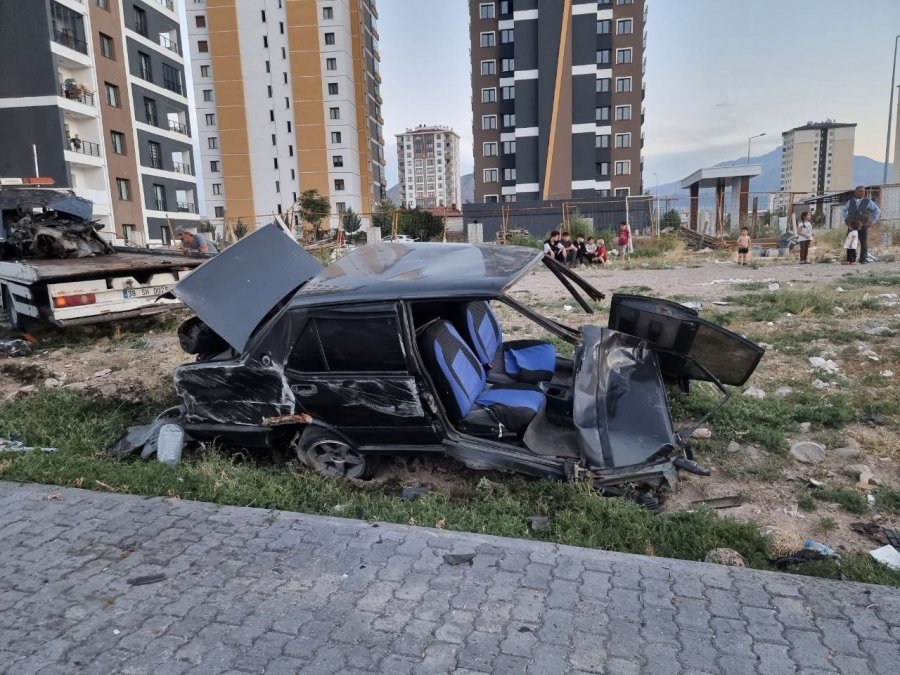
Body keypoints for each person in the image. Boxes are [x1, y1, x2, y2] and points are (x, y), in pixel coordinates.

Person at [841, 186, 880, 264]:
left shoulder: (868, 201)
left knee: (863, 242)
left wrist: (871, 222)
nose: (862, 193)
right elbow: (843, 210)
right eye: (860, 191)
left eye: (864, 191)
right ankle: (851, 259)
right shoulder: (850, 201)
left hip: (863, 225)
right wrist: (846, 219)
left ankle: (863, 259)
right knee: (850, 242)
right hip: (852, 226)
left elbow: (877, 211)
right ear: (855, 192)